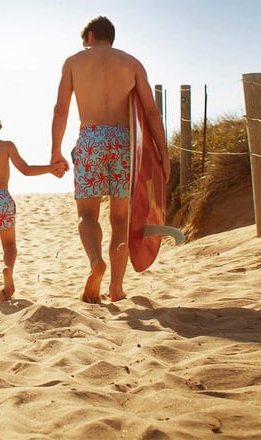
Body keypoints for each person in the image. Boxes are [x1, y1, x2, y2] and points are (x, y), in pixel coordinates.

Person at [50, 16, 170, 304]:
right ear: (110, 37)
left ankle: (95, 262)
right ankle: (116, 289)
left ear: (90, 36)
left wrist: (55, 151)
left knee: (87, 214)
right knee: (120, 218)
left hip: (91, 138)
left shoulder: (73, 62)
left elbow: (61, 109)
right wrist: (163, 155)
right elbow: (152, 113)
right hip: (124, 142)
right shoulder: (131, 63)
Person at [0, 107, 67, 300]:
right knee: (10, 245)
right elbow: (26, 170)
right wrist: (51, 168)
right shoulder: (6, 146)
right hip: (1, 198)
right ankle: (8, 269)